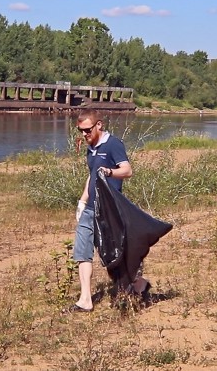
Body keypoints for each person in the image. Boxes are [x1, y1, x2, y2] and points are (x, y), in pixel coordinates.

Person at [68, 109, 139, 313]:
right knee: (82, 251)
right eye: (80, 131)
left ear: (99, 125)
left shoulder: (113, 144)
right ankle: (85, 300)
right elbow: (92, 174)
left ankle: (137, 284)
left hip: (109, 208)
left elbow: (127, 170)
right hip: (90, 208)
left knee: (115, 252)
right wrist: (82, 201)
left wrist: (110, 172)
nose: (84, 134)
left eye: (87, 130)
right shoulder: (90, 147)